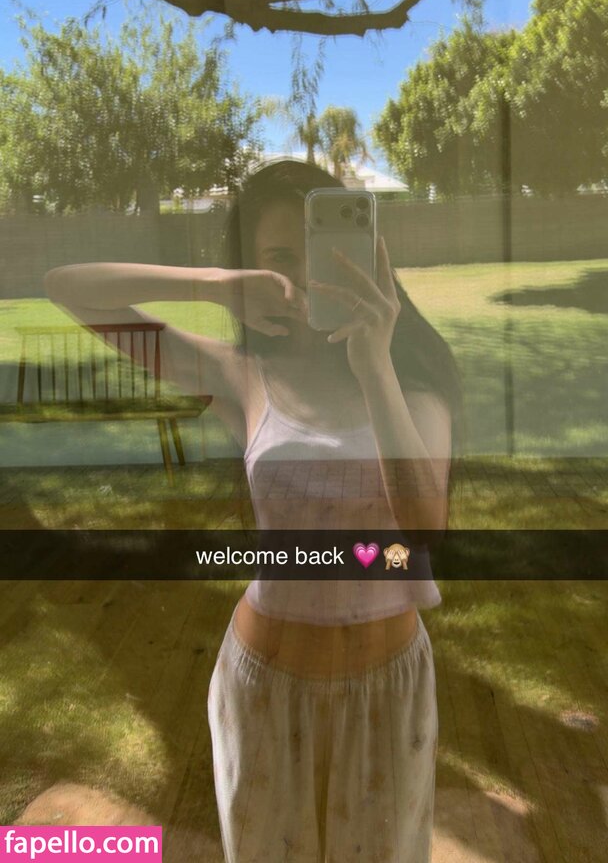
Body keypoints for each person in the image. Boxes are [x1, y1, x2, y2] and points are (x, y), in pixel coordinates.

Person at [44, 159, 463, 863]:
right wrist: (216, 285)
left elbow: (425, 528)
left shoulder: (415, 382)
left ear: (364, 255)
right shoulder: (240, 375)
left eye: (317, 253)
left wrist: (375, 366)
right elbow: (68, 288)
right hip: (263, 689)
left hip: (387, 695)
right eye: (277, 259)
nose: (300, 279)